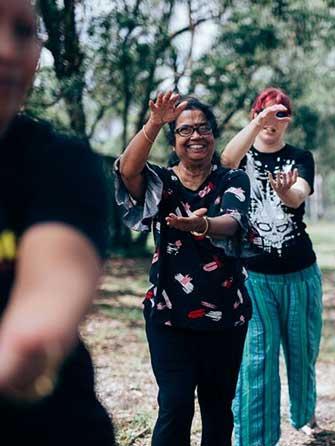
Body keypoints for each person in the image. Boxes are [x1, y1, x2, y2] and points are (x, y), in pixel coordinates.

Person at [0, 0, 114, 444]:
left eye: (24, 31)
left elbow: (48, 298)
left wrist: (25, 348)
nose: (8, 50)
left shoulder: (56, 162)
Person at [115, 91, 252, 446]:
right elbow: (128, 170)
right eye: (185, 130)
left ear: (213, 135)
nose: (196, 136)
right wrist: (154, 122)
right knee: (174, 405)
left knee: (218, 409)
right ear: (173, 140)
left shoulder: (231, 179)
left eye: (203, 128)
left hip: (226, 315)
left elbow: (234, 221)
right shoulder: (161, 182)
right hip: (168, 316)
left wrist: (202, 226)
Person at [222, 87, 323, 445]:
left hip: (300, 274)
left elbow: (299, 194)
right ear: (254, 116)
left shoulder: (299, 157)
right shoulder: (244, 154)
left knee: (302, 352)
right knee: (257, 360)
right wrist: (256, 124)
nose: (272, 122)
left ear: (289, 121)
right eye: (265, 114)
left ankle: (304, 413)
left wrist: (285, 194)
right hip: (255, 279)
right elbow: (226, 161)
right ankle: (254, 438)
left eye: (280, 114)